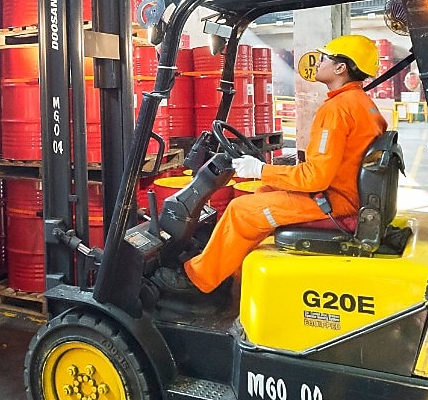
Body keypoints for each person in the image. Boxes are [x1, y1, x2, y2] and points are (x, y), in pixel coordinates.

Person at [156, 35, 388, 296]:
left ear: (340, 68)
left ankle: (198, 280)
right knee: (263, 192)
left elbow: (315, 178)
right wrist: (266, 175)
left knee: (241, 211)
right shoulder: (362, 104)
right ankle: (229, 274)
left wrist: (260, 170)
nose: (317, 62)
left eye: (324, 58)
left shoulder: (337, 110)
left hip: (336, 202)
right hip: (345, 193)